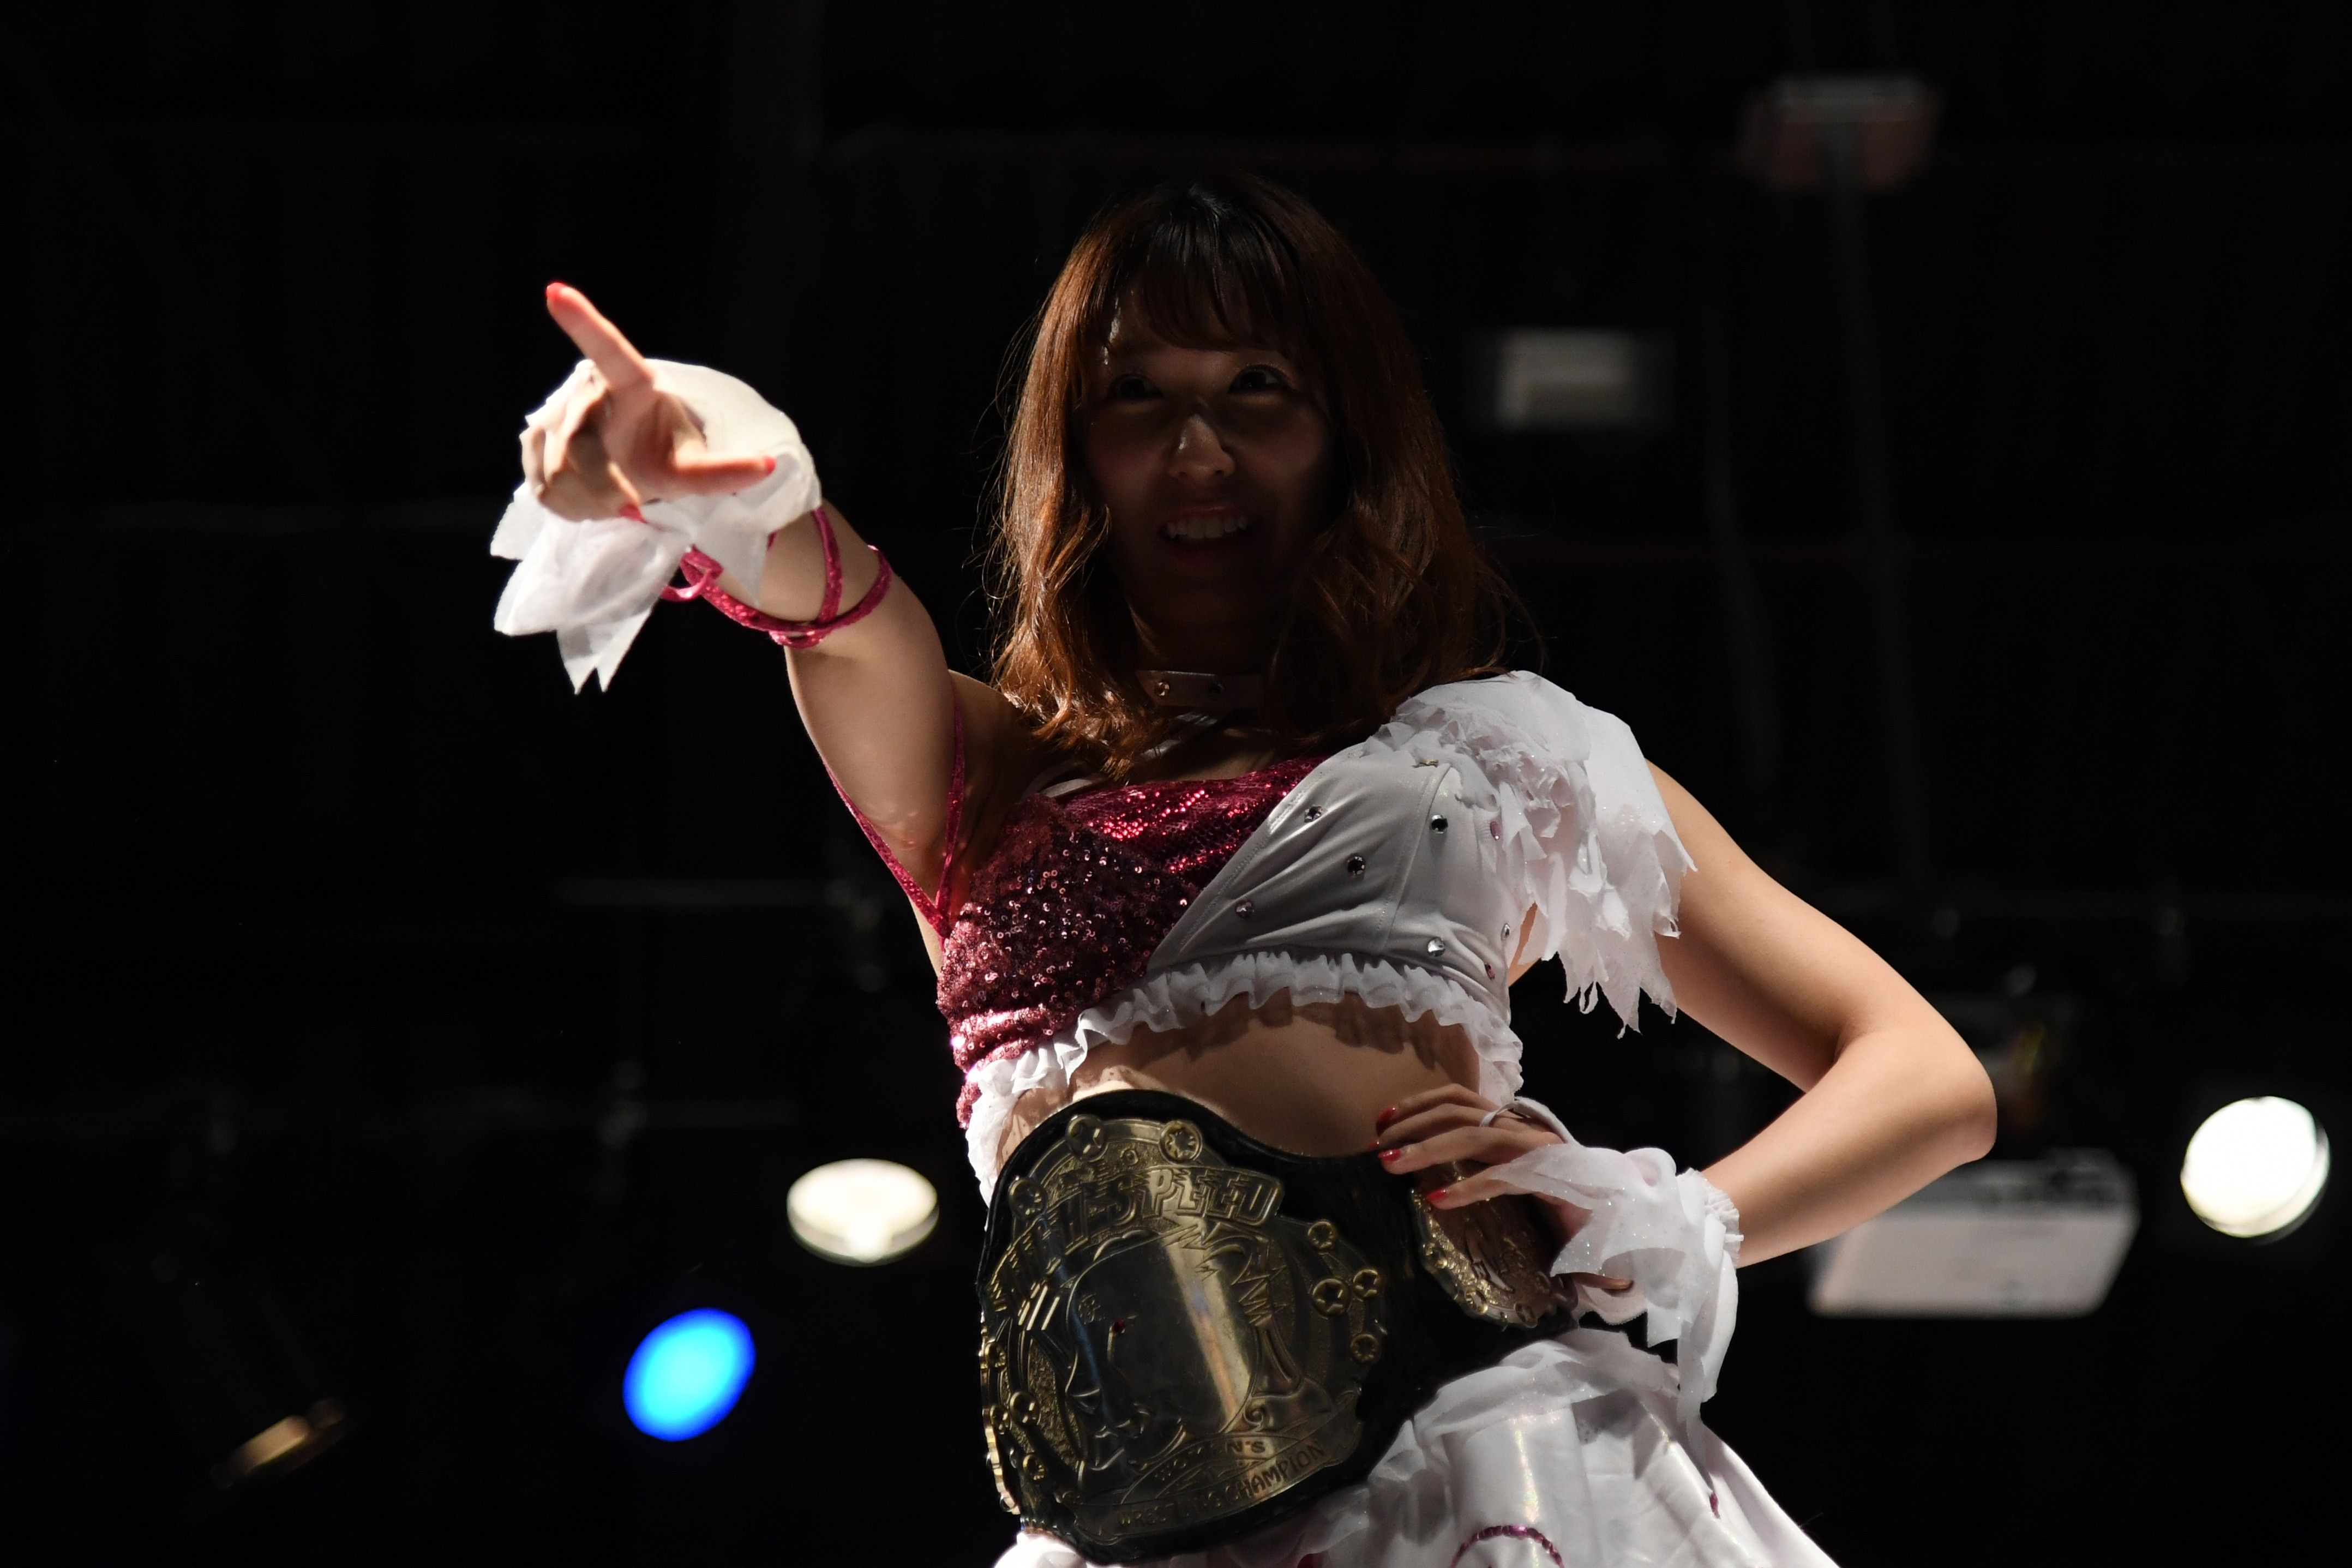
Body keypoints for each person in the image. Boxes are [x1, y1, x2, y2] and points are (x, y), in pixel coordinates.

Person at [493, 175, 1995, 1567]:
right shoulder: (983, 773)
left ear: (1348, 429)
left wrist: (1657, 1223)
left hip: (1496, 1462)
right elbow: (831, 605)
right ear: (1076, 447)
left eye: (1257, 388)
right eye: (1136, 396)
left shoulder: (1500, 755)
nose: (1196, 450)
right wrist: (709, 463)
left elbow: (1926, 1075)